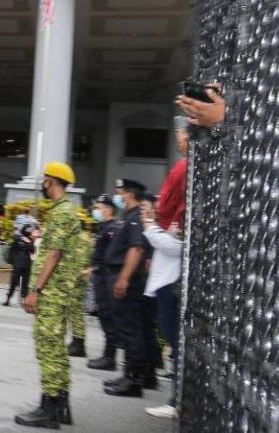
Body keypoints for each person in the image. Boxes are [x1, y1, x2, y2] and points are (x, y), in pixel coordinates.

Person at [15, 162, 80, 429]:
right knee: (57, 349)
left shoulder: (62, 213)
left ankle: (49, 408)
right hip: (59, 291)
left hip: (51, 292)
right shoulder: (64, 211)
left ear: (50, 182)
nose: (43, 184)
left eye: (44, 179)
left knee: (48, 349)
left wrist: (36, 291)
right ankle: (61, 405)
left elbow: (54, 254)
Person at [102, 179, 156, 398]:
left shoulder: (134, 219)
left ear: (130, 194)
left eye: (120, 193)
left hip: (128, 280)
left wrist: (123, 278)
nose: (119, 197)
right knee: (128, 328)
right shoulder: (131, 217)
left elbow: (136, 249)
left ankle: (133, 380)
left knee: (131, 330)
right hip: (123, 276)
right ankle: (128, 375)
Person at [142, 197, 183, 420]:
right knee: (174, 343)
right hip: (164, 287)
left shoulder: (178, 221)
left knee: (177, 345)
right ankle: (175, 399)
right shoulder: (170, 223)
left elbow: (173, 247)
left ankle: (176, 401)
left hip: (170, 286)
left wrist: (151, 229)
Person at [86, 194, 121, 371]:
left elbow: (110, 257)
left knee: (108, 317)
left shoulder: (112, 228)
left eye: (98, 207)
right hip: (101, 278)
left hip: (106, 279)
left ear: (108, 209)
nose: (95, 211)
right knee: (104, 316)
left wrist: (95, 269)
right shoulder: (104, 227)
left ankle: (110, 357)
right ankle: (107, 355)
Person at [66, 211, 95, 358]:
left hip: (77, 280)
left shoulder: (81, 238)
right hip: (75, 279)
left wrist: (72, 279)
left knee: (76, 312)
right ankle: (76, 341)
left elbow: (81, 262)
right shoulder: (78, 237)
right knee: (74, 312)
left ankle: (79, 344)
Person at [4, 225, 35, 306]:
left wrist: (28, 242)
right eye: (28, 229)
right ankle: (8, 299)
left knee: (25, 283)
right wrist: (12, 260)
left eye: (30, 230)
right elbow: (12, 249)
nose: (29, 231)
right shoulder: (17, 238)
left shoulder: (30, 240)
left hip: (27, 264)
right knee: (14, 282)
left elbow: (32, 250)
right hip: (18, 263)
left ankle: (24, 300)